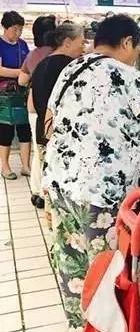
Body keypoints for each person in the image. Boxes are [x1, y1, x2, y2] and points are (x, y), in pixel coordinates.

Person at [42, 14, 140, 332]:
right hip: (101, 195)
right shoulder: (127, 77)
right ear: (126, 42)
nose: (135, 57)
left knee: (73, 263)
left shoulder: (71, 69)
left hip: (60, 185)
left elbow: (48, 124)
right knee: (109, 271)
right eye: (135, 49)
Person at [30, 23, 86, 211]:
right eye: (81, 42)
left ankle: (52, 222)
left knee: (50, 186)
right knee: (63, 191)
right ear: (67, 42)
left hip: (43, 130)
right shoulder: (69, 67)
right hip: (62, 137)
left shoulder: (42, 64)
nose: (84, 47)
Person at [18, 15, 56, 204]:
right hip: (53, 109)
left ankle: (37, 191)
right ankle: (48, 193)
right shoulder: (59, 54)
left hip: (34, 106)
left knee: (38, 148)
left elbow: (21, 80)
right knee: (53, 151)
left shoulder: (33, 55)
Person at [0, 11, 31, 179]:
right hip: (4, 95)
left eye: (20, 29)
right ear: (5, 27)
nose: (18, 33)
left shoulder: (23, 44)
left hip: (22, 92)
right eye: (14, 29)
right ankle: (5, 167)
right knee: (6, 130)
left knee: (25, 129)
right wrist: (21, 73)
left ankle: (26, 166)